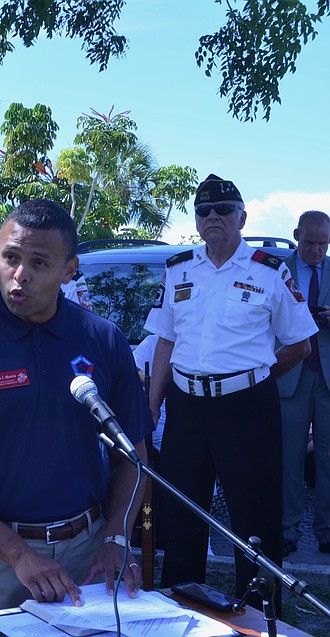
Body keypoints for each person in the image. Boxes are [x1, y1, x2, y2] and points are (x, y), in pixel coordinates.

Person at [0, 199, 151, 637]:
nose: (20, 275)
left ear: (69, 269)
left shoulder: (102, 339)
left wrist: (116, 539)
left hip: (86, 553)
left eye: (39, 262)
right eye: (10, 258)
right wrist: (18, 554)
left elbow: (133, 456)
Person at [144, 174, 315, 607]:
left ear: (242, 215)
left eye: (223, 210)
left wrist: (256, 380)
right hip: (186, 404)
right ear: (196, 220)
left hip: (247, 407)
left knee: (254, 516)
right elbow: (165, 339)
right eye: (204, 211)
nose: (213, 217)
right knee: (182, 512)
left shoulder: (270, 271)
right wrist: (153, 403)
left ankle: (259, 615)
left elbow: (299, 345)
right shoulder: (178, 268)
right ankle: (181, 608)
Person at [277, 210, 330, 556]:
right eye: (309, 242)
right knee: (289, 457)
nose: (315, 250)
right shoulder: (276, 269)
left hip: (326, 375)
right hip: (291, 372)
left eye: (323, 244)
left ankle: (327, 531)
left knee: (328, 457)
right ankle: (287, 530)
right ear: (296, 235)